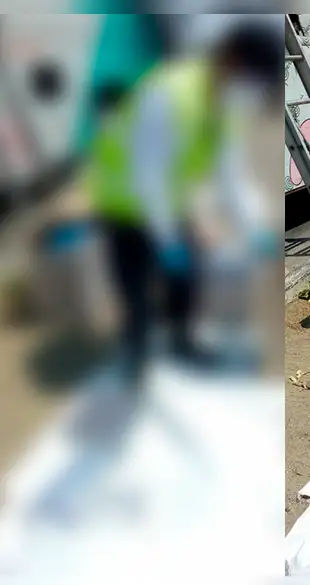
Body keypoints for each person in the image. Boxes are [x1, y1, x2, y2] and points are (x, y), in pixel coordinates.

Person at [86, 18, 280, 389]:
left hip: (170, 202)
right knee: (137, 286)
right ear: (231, 60)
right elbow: (149, 174)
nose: (255, 90)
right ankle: (136, 361)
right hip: (125, 202)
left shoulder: (228, 100)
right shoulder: (169, 92)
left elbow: (230, 172)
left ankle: (182, 345)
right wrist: (169, 242)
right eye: (253, 77)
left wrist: (255, 227)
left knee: (188, 281)